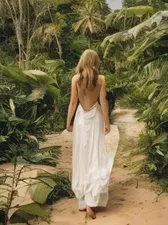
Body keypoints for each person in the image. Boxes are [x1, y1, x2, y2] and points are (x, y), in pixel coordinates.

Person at [66, 49, 113, 220]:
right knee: (95, 156)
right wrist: (107, 123)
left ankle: (84, 201)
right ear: (95, 61)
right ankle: (91, 202)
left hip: (80, 119)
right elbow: (103, 101)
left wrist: (68, 122)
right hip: (95, 119)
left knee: (81, 157)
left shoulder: (76, 79)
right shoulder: (100, 79)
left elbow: (73, 102)